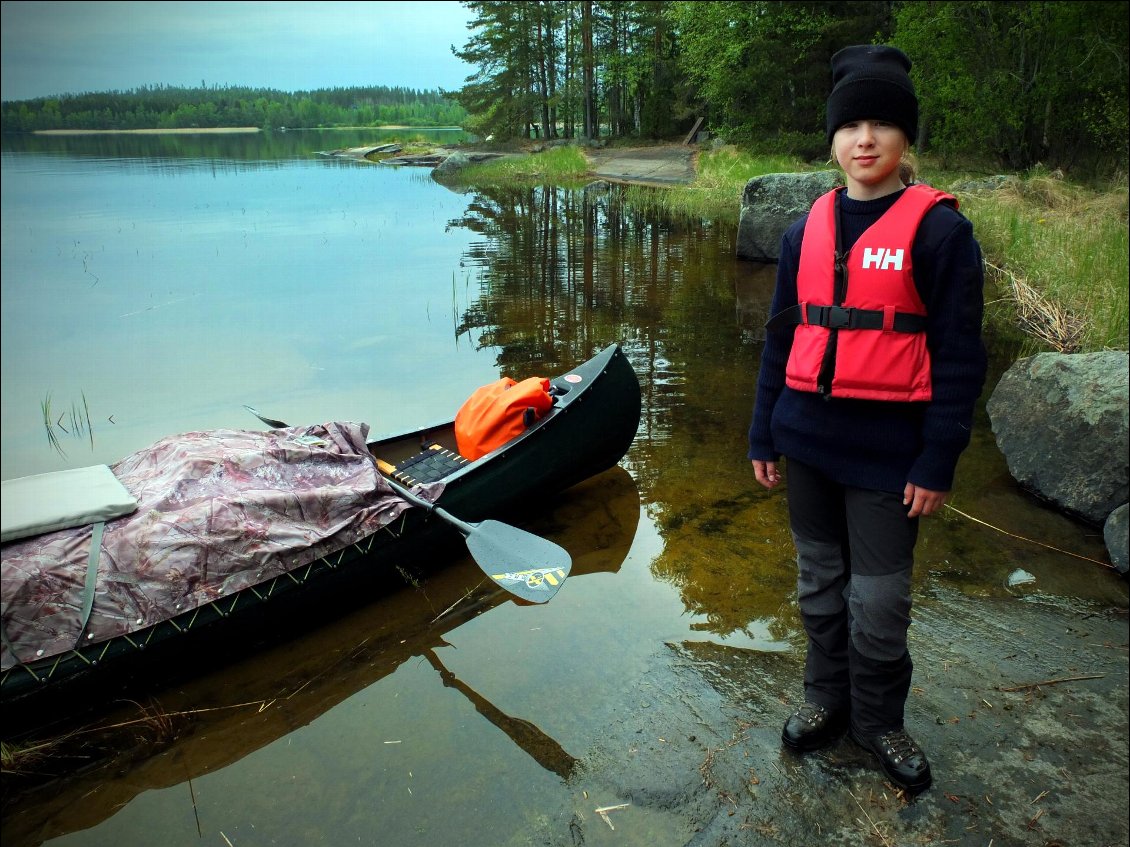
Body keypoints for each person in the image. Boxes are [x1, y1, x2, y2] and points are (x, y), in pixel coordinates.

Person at [748, 44, 987, 795]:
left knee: (878, 601)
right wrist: (763, 432)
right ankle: (826, 699)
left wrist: (937, 459)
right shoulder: (802, 231)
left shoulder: (942, 234)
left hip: (889, 455)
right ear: (833, 137)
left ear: (906, 137)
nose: (866, 139)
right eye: (852, 123)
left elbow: (957, 359)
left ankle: (879, 719)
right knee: (820, 585)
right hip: (807, 446)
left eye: (884, 122)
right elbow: (781, 338)